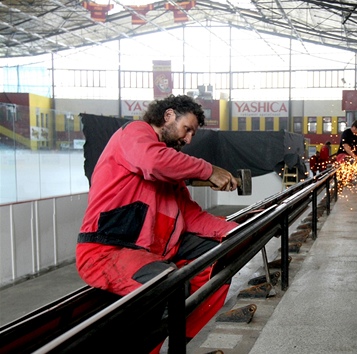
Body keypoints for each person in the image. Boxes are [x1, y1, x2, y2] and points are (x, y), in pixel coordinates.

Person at [75, 94, 239, 341]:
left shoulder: (169, 171)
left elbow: (192, 217)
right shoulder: (134, 133)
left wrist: (240, 229)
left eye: (193, 134)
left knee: (223, 254)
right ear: (169, 115)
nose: (188, 139)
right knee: (171, 286)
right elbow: (153, 161)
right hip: (108, 251)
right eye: (187, 130)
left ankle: (180, 339)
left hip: (153, 252)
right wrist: (209, 170)